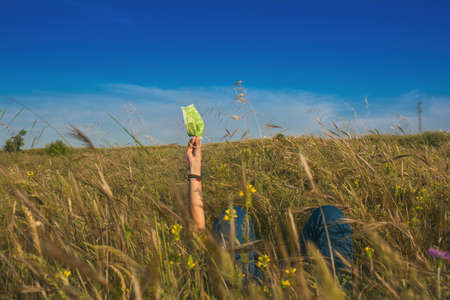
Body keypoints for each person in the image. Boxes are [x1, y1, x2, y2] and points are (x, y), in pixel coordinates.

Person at [186, 136, 353, 287]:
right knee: (331, 216)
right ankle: (338, 290)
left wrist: (195, 170)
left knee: (234, 215)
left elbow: (198, 232)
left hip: (249, 285)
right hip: (290, 282)